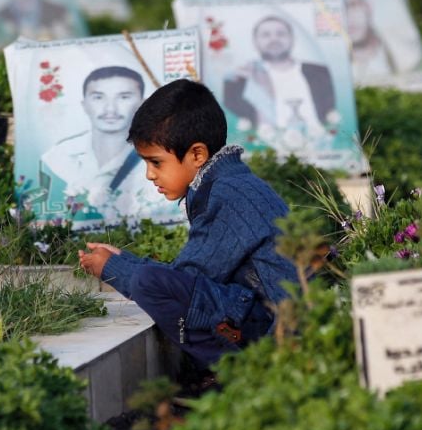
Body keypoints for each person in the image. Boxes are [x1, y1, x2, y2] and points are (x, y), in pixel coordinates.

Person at [78, 79, 298, 371]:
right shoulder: (227, 183)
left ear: (197, 155)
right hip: (279, 318)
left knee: (150, 284)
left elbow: (186, 279)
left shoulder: (227, 195)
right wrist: (123, 260)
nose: (149, 175)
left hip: (286, 333)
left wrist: (114, 269)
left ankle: (243, 375)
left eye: (156, 163)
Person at [40, 66, 161, 222]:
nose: (110, 109)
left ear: (142, 104)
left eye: (124, 97)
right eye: (98, 97)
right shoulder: (57, 158)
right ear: (84, 105)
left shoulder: (159, 158)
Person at [223, 15, 335, 138]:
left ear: (293, 39)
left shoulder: (322, 74)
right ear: (255, 42)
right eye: (266, 35)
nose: (274, 39)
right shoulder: (239, 81)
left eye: (281, 34)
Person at [302, 0, 402, 79]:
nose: (344, 17)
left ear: (368, 7)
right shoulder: (313, 72)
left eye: (351, 5)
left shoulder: (406, 49)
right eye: (330, 11)